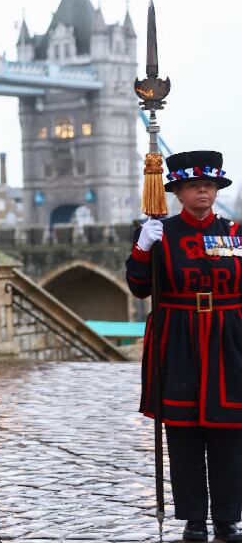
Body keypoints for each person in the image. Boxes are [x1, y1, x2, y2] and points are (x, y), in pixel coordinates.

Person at [128, 150, 242, 543]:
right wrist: (142, 249)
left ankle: (227, 518)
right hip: (178, 338)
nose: (203, 192)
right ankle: (194, 518)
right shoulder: (160, 233)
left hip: (228, 339)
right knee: (183, 432)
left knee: (229, 432)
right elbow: (139, 288)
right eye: (194, 186)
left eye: (209, 185)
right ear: (177, 192)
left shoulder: (235, 232)